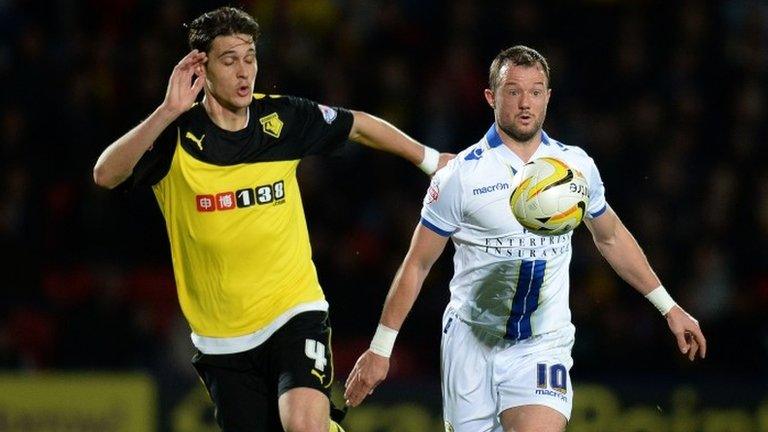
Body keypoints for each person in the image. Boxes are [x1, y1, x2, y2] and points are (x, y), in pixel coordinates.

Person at [93, 7, 450, 432]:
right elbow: (106, 174)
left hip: (293, 310)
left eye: (250, 58)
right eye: (230, 61)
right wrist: (167, 111)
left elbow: (357, 126)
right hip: (223, 340)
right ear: (201, 69)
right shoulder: (174, 138)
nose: (245, 72)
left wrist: (431, 159)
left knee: (303, 426)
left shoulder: (281, 120)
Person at [343, 45, 707, 432]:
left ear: (548, 97)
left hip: (542, 344)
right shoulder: (460, 176)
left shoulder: (575, 168)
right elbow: (417, 264)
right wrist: (381, 349)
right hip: (471, 344)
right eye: (513, 90)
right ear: (491, 97)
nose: (525, 103)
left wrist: (669, 307)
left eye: (536, 91)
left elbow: (611, 237)